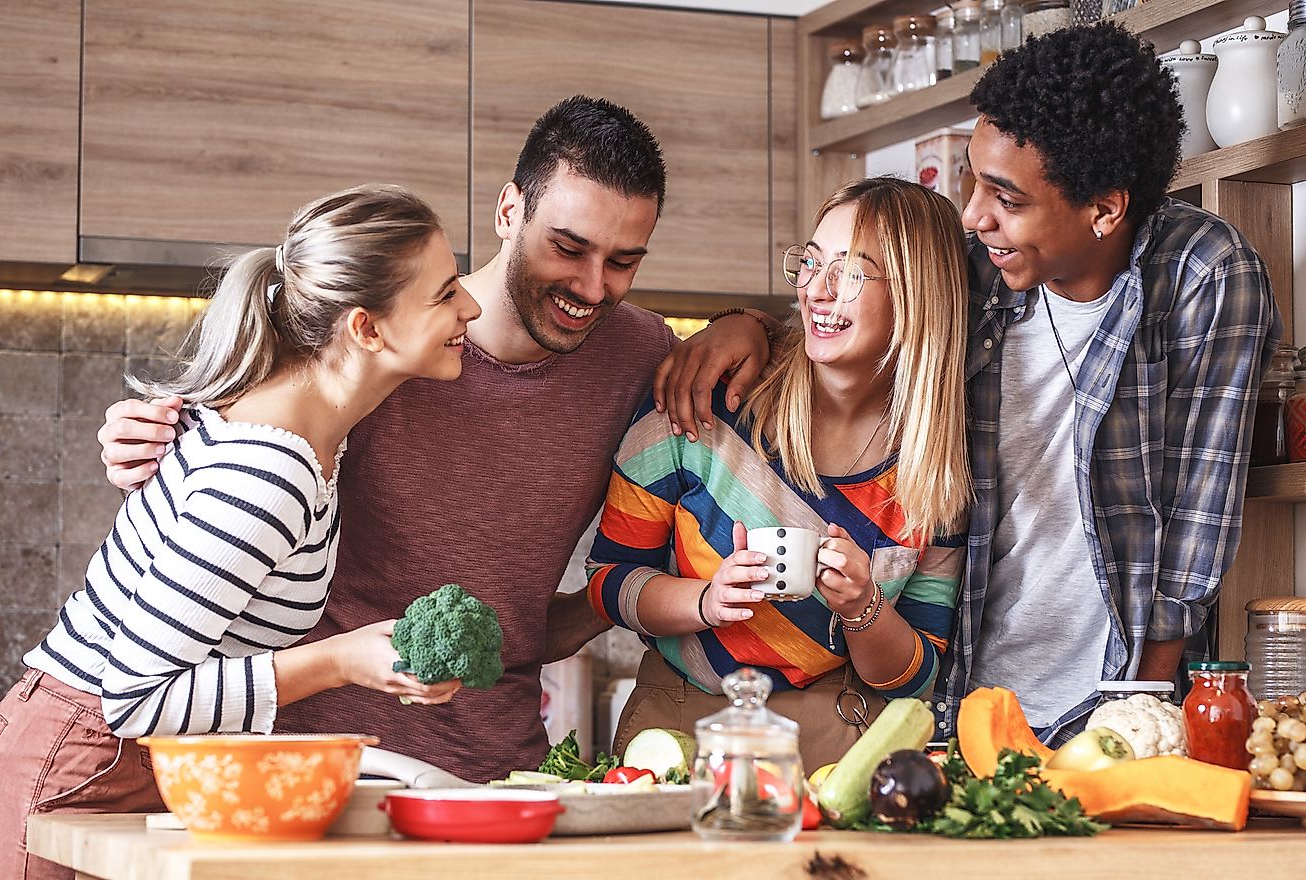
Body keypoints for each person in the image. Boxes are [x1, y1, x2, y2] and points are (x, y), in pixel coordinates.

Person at [655, 23, 1282, 746]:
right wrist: (748, 325)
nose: (974, 216)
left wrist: (1135, 715)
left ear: (1106, 208)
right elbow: (845, 318)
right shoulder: (974, 267)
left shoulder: (1203, 275)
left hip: (1111, 699)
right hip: (957, 703)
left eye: (1006, 197)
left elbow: (1200, 517)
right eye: (972, 182)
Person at [93, 97, 744, 782]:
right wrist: (140, 434)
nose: (591, 285)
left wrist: (745, 324)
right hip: (325, 767)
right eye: (569, 247)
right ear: (508, 210)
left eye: (623, 262)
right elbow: (234, 451)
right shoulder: (389, 346)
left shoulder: (638, 354)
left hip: (499, 769)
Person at [0, 184, 478, 880]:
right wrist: (340, 661)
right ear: (367, 329)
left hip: (106, 761)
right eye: (447, 292)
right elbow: (135, 699)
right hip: (82, 765)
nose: (472, 308)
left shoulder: (308, 439)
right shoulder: (271, 471)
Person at [588, 178, 970, 771]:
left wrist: (864, 607)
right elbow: (609, 579)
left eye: (849, 272)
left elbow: (917, 676)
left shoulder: (934, 468)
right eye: (811, 263)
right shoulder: (704, 404)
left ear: (918, 295)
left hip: (844, 747)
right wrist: (705, 602)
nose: (815, 290)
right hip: (684, 727)